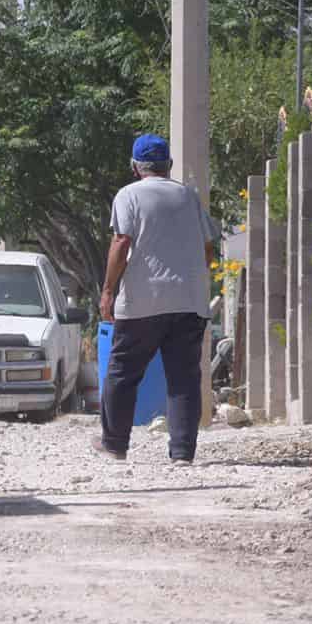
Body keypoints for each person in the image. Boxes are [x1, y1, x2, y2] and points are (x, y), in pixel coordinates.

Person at [96, 133, 216, 463]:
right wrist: (191, 277)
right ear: (169, 166)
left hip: (142, 303)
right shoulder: (188, 197)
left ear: (136, 167)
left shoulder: (128, 195)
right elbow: (208, 248)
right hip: (189, 302)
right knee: (184, 377)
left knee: (122, 372)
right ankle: (182, 453)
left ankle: (115, 445)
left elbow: (121, 242)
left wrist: (108, 290)